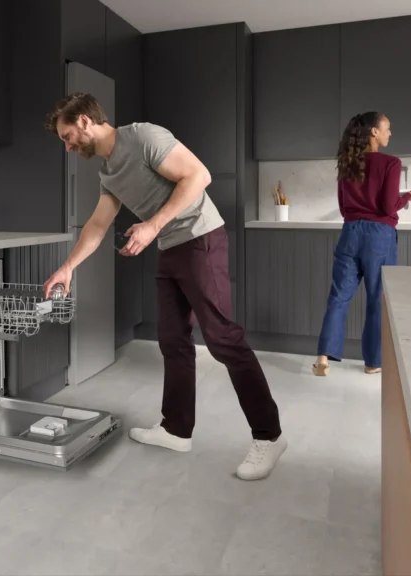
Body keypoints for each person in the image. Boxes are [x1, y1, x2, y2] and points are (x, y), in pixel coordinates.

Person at [43, 92, 286, 481]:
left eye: (67, 136)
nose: (68, 146)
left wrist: (153, 225)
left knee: (223, 339)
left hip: (201, 239)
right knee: (172, 340)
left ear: (85, 121)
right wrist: (68, 267)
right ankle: (176, 429)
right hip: (170, 248)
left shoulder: (143, 137)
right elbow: (98, 224)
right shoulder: (108, 172)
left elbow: (199, 176)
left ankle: (269, 435)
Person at [313, 112, 411, 376]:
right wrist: (409, 196)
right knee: (378, 298)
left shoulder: (347, 164)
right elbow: (388, 206)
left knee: (339, 296)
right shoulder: (391, 163)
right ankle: (374, 362)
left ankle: (323, 357)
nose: (390, 133)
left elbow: (344, 208)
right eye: (387, 128)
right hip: (379, 236)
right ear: (374, 131)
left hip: (350, 233)